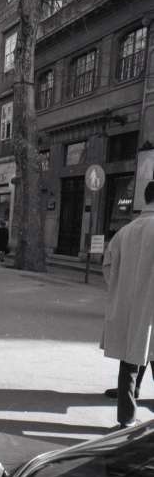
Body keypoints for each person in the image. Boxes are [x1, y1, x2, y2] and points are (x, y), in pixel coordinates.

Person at [101, 180, 154, 428]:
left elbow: (107, 265)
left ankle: (126, 418)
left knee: (129, 360)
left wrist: (120, 291)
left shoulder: (125, 231)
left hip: (130, 308)